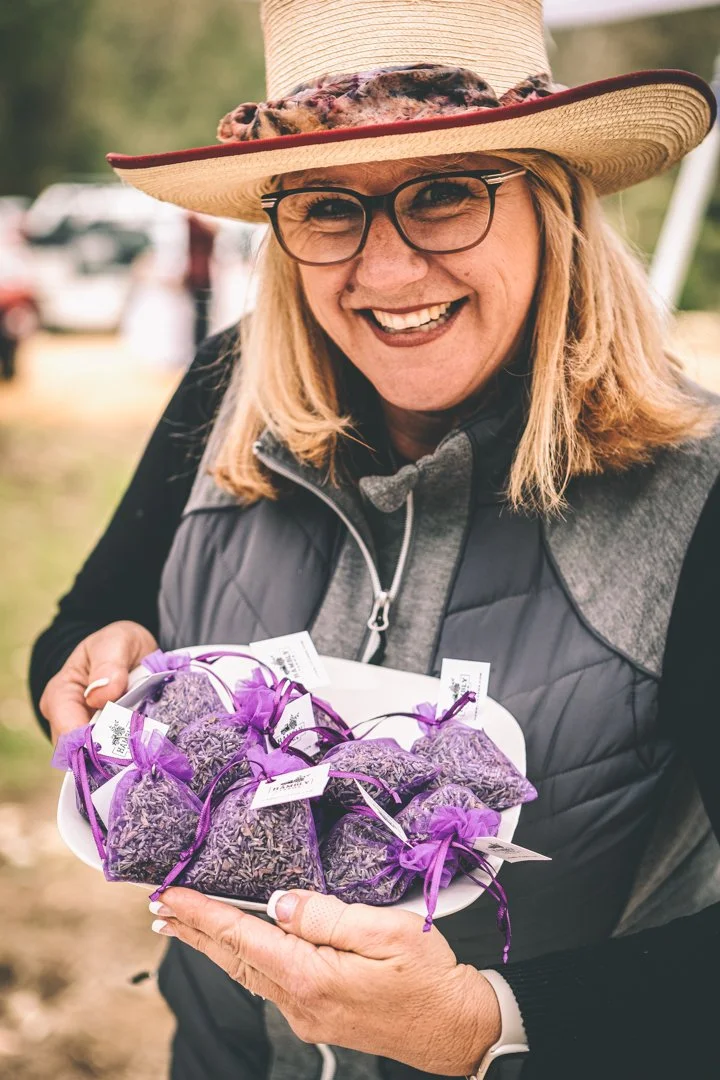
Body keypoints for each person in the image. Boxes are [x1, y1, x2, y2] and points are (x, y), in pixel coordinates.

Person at [30, 2, 720, 1078]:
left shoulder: (697, 500)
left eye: (445, 193)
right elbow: (86, 630)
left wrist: (490, 1020)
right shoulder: (223, 397)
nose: (388, 274)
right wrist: (91, 661)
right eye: (326, 206)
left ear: (554, 204)